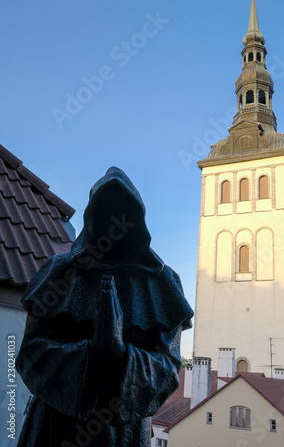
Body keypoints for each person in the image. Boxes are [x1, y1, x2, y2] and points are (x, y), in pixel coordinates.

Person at [16, 167, 194, 446]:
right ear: (92, 216)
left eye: (124, 212)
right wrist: (90, 352)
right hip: (56, 425)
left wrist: (121, 354)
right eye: (106, 211)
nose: (115, 223)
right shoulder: (60, 271)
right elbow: (31, 353)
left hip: (124, 430)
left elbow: (168, 368)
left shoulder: (163, 282)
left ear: (137, 220)